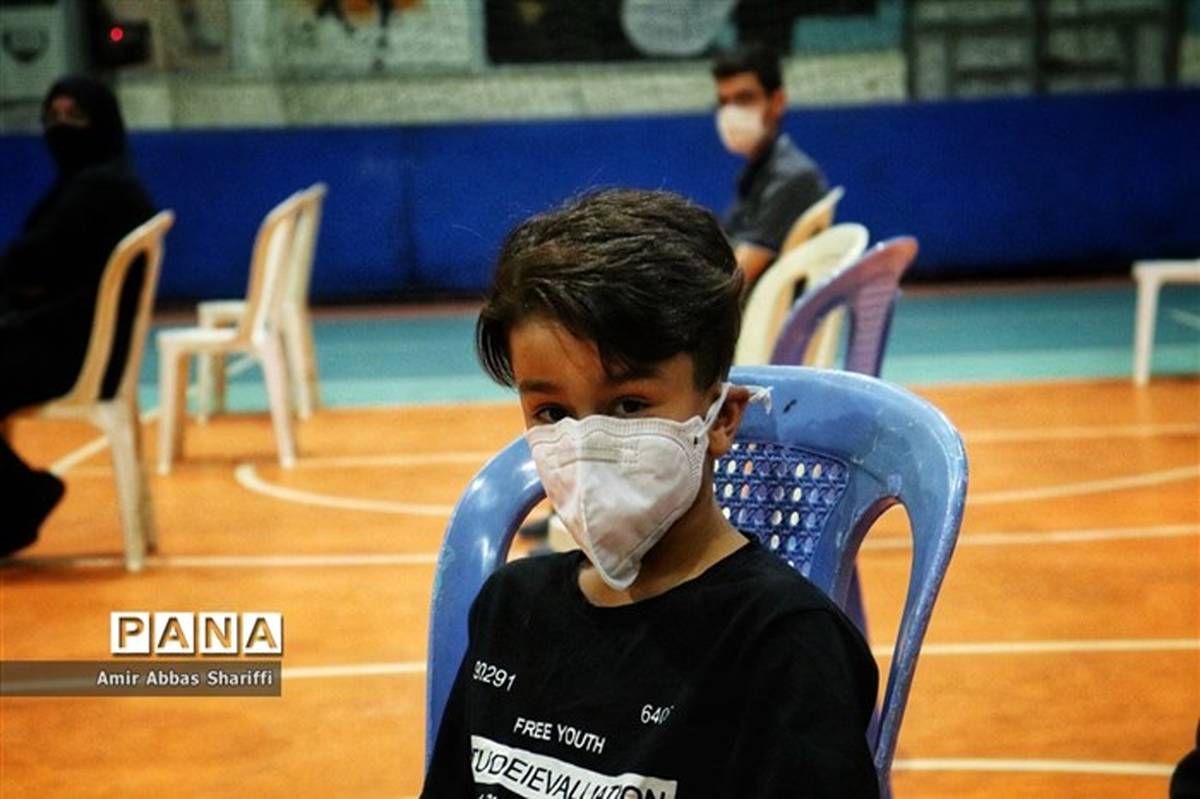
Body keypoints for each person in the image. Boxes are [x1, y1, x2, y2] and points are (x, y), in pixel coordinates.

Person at [422, 189, 878, 797]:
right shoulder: (511, 607)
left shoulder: (783, 643)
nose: (586, 443)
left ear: (721, 419)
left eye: (629, 405)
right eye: (551, 412)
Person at [0, 75, 156, 557]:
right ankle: (16, 501)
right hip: (75, 342)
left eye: (75, 115)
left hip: (74, 354)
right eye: (53, 115)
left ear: (102, 121)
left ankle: (21, 498)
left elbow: (27, 263)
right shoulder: (104, 180)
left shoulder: (98, 190)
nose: (60, 126)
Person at [713, 42, 829, 287]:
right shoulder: (755, 172)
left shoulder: (794, 177)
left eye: (744, 98)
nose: (731, 112)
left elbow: (737, 276)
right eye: (724, 102)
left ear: (777, 102)